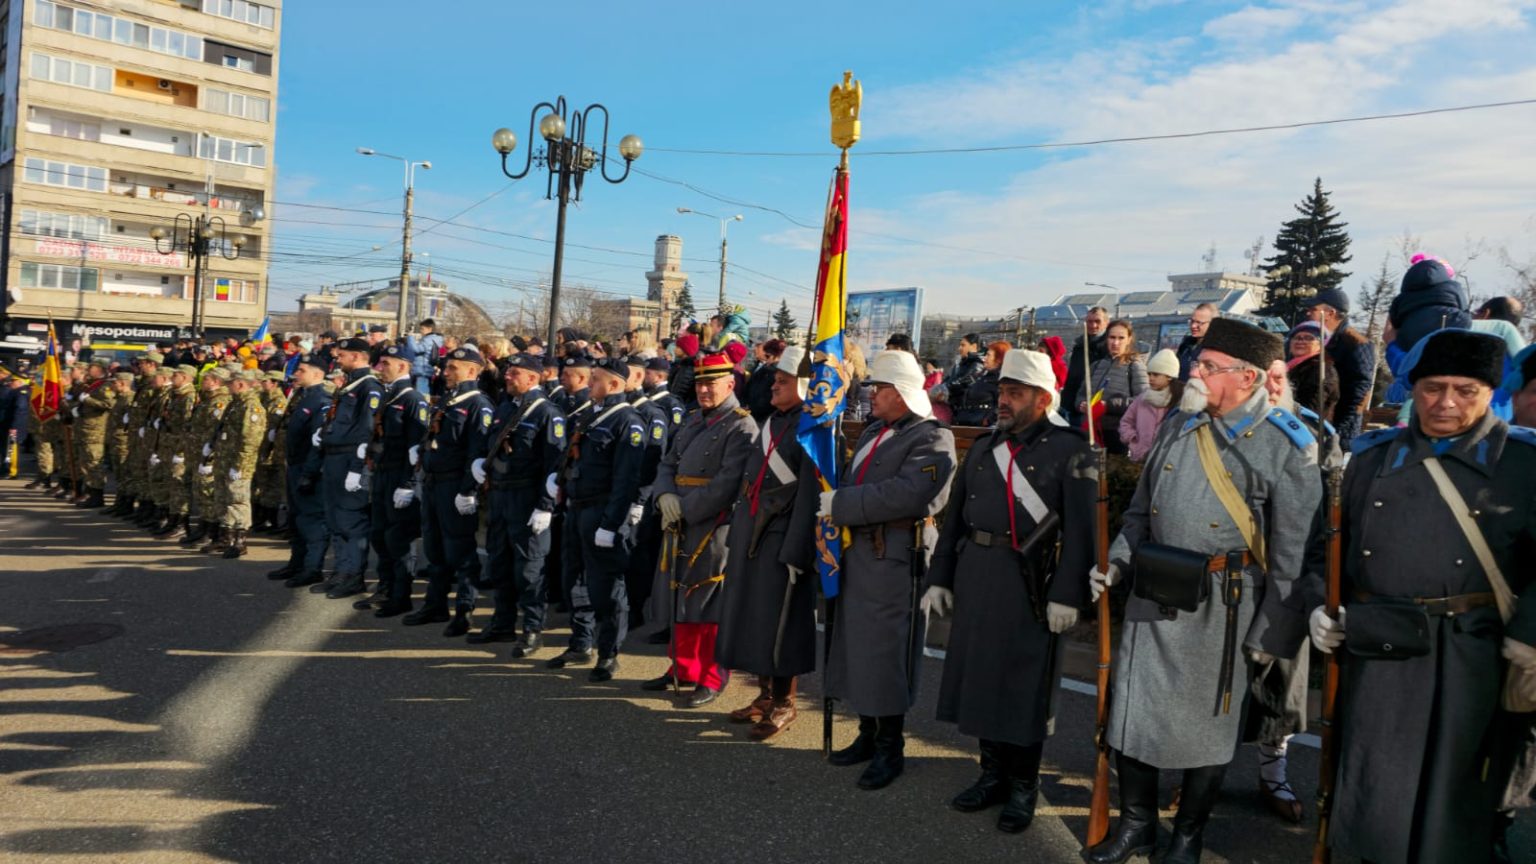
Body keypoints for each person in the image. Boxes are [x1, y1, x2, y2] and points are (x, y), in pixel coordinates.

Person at [1084, 318, 1321, 864]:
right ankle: (1137, 825)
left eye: (1209, 367)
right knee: (1133, 712)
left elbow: (1293, 556)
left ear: (1247, 377)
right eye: (1198, 363)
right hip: (1153, 589)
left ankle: (1187, 836)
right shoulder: (1179, 422)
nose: (1195, 372)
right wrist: (1116, 564)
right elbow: (1140, 513)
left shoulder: (1286, 444)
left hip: (1225, 605)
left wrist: (1272, 634)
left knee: (1208, 729)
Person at [1308, 329, 1536, 864]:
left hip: (1471, 655)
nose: (1446, 403)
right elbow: (1326, 546)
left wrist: (1530, 635)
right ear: (1414, 388)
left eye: (1465, 390)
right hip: (1377, 648)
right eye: (1433, 388)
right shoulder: (1370, 458)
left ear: (1491, 393)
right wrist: (1322, 603)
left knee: (1452, 799)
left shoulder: (1523, 466)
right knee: (1375, 789)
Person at [925, 348, 1094, 833]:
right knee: (981, 678)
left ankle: (1023, 784)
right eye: (1002, 390)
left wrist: (1068, 594)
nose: (1003, 400)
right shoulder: (984, 447)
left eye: (1015, 393)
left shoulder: (1071, 449)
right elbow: (954, 519)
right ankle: (991, 774)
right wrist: (940, 577)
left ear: (1043, 399)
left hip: (1030, 582)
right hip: (977, 572)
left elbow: (1082, 532)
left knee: (1023, 686)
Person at [822, 349, 957, 791]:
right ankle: (868, 732)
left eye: (879, 388)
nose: (872, 395)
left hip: (897, 555)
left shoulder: (932, 438)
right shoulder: (875, 431)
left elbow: (910, 495)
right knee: (859, 646)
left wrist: (842, 504)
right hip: (861, 551)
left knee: (887, 651)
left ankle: (889, 746)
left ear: (900, 393)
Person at [716, 346, 818, 739]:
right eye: (774, 379)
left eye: (783, 381)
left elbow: (809, 496)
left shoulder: (814, 429)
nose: (774, 386)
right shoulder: (775, 420)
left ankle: (784, 702)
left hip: (782, 538)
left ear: (803, 386)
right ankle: (764, 696)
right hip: (753, 530)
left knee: (781, 623)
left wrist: (797, 550)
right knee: (754, 618)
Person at [648, 351, 758, 705]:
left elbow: (727, 484)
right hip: (678, 519)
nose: (703, 390)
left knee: (709, 601)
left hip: (712, 525)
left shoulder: (742, 426)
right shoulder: (694, 419)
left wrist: (684, 509)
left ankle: (711, 676)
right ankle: (683, 667)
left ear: (730, 384)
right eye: (699, 383)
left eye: (711, 383)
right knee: (679, 595)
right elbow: (668, 463)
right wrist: (664, 495)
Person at [548, 357, 644, 680]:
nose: (589, 384)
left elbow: (626, 479)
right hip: (577, 508)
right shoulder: (591, 414)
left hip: (602, 513)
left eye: (596, 379)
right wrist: (558, 480)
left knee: (607, 588)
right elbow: (574, 456)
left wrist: (611, 524)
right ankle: (580, 643)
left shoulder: (627, 421)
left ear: (614, 384)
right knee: (573, 581)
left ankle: (608, 653)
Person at [469, 352, 564, 654]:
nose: (507, 377)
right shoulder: (506, 406)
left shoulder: (547, 412)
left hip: (527, 498)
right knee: (499, 563)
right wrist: (481, 463)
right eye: (508, 372)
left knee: (529, 570)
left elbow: (554, 464)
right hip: (500, 495)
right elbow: (492, 443)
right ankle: (502, 624)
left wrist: (545, 506)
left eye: (514, 373)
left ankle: (533, 630)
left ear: (533, 378)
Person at [406, 345, 493, 635]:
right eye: (446, 367)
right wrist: (420, 451)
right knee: (434, 547)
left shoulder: (478, 404)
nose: (446, 372)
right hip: (434, 482)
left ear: (472, 371)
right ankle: (435, 604)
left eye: (453, 368)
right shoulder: (448, 399)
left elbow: (477, 451)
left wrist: (468, 490)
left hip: (454, 484)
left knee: (460, 550)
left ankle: (464, 610)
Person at [357, 345, 429, 615]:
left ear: (403, 366)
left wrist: (408, 484)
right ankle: (385, 588)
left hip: (400, 477)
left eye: (386, 363)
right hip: (383, 474)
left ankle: (401, 595)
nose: (380, 368)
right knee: (380, 535)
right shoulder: (390, 396)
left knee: (399, 539)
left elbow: (416, 448)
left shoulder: (413, 399)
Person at [312, 337, 385, 599]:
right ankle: (341, 571)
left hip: (349, 459)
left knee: (351, 520)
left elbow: (367, 429)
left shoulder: (369, 387)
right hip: (334, 457)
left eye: (342, 355)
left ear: (356, 356)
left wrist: (357, 468)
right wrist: (324, 433)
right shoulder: (349, 385)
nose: (337, 358)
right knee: (334, 518)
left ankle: (353, 575)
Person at [269, 356, 333, 588]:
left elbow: (318, 442)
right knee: (295, 517)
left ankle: (312, 568)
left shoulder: (322, 401)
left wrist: (309, 472)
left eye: (302, 370)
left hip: (308, 468)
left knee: (312, 520)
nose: (296, 374)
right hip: (295, 466)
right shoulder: (303, 397)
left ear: (317, 374)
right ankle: (296, 563)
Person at [1302, 287, 1376, 452]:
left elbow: (1359, 391)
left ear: (1330, 313)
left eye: (1313, 309)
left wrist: (1337, 429)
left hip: (1337, 429)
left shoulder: (1356, 343)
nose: (1307, 313)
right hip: (1314, 423)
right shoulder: (1316, 339)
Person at [208, 370, 267, 558]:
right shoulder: (236, 403)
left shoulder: (250, 405)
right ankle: (226, 537)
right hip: (225, 459)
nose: (227, 386)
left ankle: (240, 541)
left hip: (238, 462)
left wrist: (240, 465)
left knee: (237, 499)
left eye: (230, 383)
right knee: (223, 498)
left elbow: (251, 439)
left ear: (240, 384)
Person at [183, 369, 232, 548]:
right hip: (198, 452)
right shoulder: (208, 399)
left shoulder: (221, 401)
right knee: (201, 492)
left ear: (216, 381)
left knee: (209, 493)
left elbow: (216, 432)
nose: (202, 381)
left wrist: (210, 457)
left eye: (206, 379)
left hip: (210, 456)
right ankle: (203, 528)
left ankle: (212, 531)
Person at [148, 366, 198, 539]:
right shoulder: (174, 394)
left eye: (175, 375)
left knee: (179, 485)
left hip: (178, 447)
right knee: (169, 483)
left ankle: (181, 523)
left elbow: (187, 427)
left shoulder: (189, 396)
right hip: (167, 444)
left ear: (184, 377)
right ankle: (171, 519)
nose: (172, 377)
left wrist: (181, 451)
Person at [1084, 321, 1148, 455]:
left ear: (1129, 339)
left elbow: (1143, 401)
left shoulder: (1135, 366)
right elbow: (1081, 393)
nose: (1116, 343)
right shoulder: (1097, 365)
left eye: (1121, 338)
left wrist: (1109, 405)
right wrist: (1082, 404)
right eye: (1112, 337)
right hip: (1092, 429)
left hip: (1118, 433)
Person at [1119, 349, 1181, 463]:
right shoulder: (1142, 399)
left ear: (1169, 376)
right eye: (1149, 374)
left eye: (1156, 374)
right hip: (1140, 457)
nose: (1151, 378)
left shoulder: (1179, 402)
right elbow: (1126, 421)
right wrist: (1132, 438)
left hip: (1164, 460)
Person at [251, 371, 289, 534]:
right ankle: (261, 518)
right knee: (262, 484)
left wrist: (267, 448)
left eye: (265, 381)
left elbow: (273, 425)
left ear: (275, 383)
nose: (262, 384)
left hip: (271, 449)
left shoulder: (278, 401)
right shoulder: (263, 397)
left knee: (271, 484)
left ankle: (272, 520)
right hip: (261, 445)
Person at [1061, 307, 1110, 427]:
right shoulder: (1079, 346)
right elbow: (1072, 376)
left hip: (1096, 408)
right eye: (1089, 321)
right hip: (1073, 405)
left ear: (1106, 323)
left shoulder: (1109, 348)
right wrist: (1065, 402)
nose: (1093, 325)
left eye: (1097, 321)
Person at [1284, 321, 1339, 424]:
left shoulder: (1321, 370)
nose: (1301, 341)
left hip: (1304, 427)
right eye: (1297, 338)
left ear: (1321, 344)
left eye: (1309, 338)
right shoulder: (1289, 366)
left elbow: (1310, 410)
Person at [954, 341, 1008, 427]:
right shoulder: (983, 376)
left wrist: (987, 420)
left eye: (988, 355)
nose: (984, 358)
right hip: (969, 422)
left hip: (982, 426)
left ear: (999, 358)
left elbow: (1002, 404)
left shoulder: (1000, 380)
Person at [744, 339, 785, 422]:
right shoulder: (764, 369)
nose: (766, 360)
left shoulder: (777, 374)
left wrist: (752, 408)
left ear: (778, 356)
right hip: (751, 411)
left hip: (762, 417)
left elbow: (769, 399)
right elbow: (749, 386)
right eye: (765, 356)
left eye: (768, 356)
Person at [1176, 303, 1218, 381]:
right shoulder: (1185, 346)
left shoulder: (1217, 350)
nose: (1193, 326)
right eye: (1192, 321)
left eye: (1199, 322)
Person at [944, 333, 985, 413]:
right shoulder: (961, 363)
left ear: (974, 346)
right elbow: (949, 379)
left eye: (963, 345)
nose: (959, 348)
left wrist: (945, 389)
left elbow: (964, 382)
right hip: (954, 407)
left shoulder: (978, 364)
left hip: (964, 410)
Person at [404, 319, 442, 393]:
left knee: (421, 393)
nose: (421, 331)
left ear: (430, 329)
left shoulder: (428, 340)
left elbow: (416, 349)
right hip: (425, 369)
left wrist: (410, 337)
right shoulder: (435, 339)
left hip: (422, 370)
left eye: (422, 329)